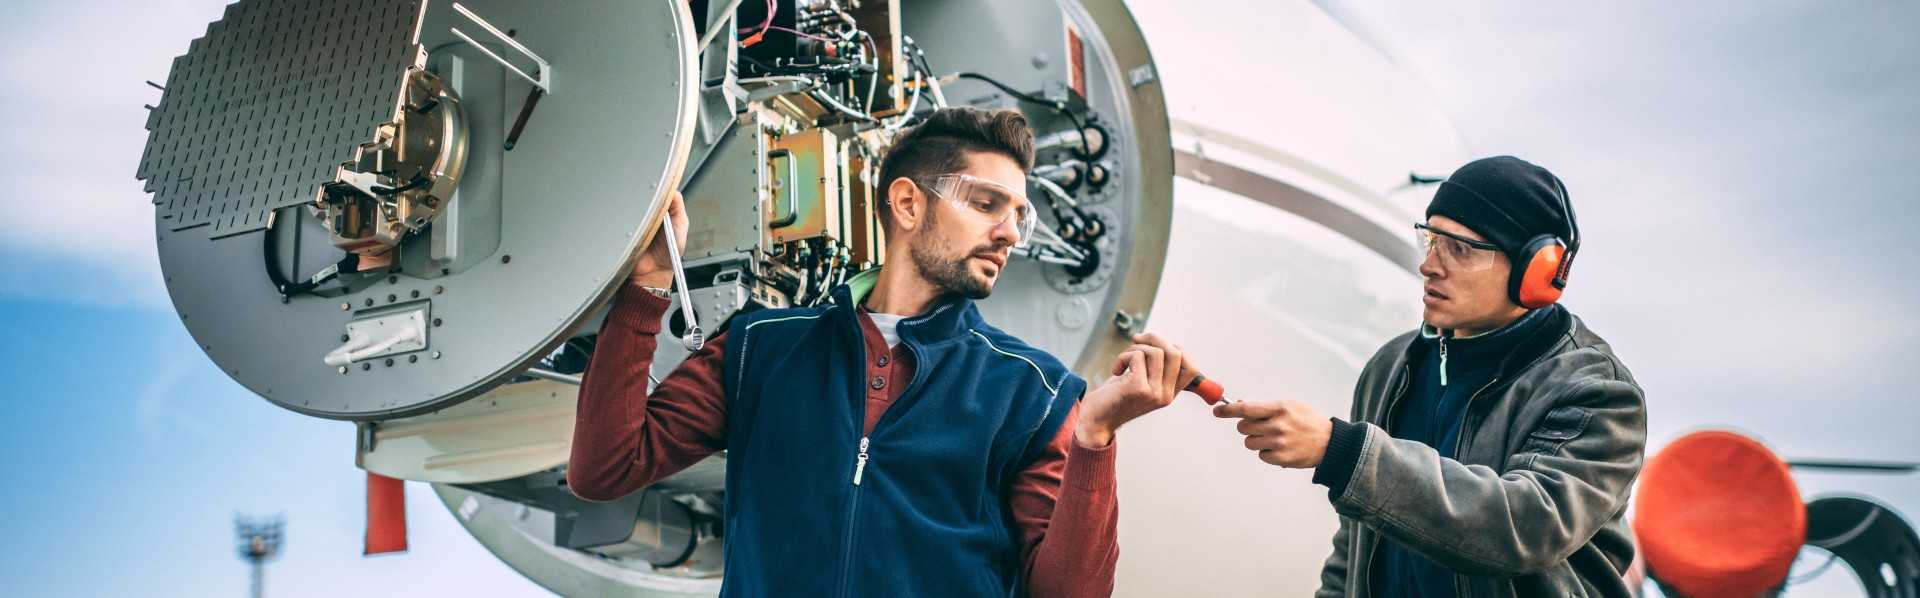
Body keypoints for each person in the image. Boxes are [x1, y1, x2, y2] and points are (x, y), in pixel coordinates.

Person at [568, 107, 1192, 597]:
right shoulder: (762, 348)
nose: (1009, 233)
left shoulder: (1034, 392)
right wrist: (647, 290)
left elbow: (1071, 594)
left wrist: (1096, 438)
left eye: (1018, 215)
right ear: (906, 203)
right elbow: (606, 468)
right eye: (986, 204)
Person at [1213, 156, 1648, 597]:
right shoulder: (1390, 368)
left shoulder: (1598, 392)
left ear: (1534, 272)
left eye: (1459, 248)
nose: (1430, 265)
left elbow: (1522, 527)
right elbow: (1354, 548)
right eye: (1430, 241)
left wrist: (1341, 452)